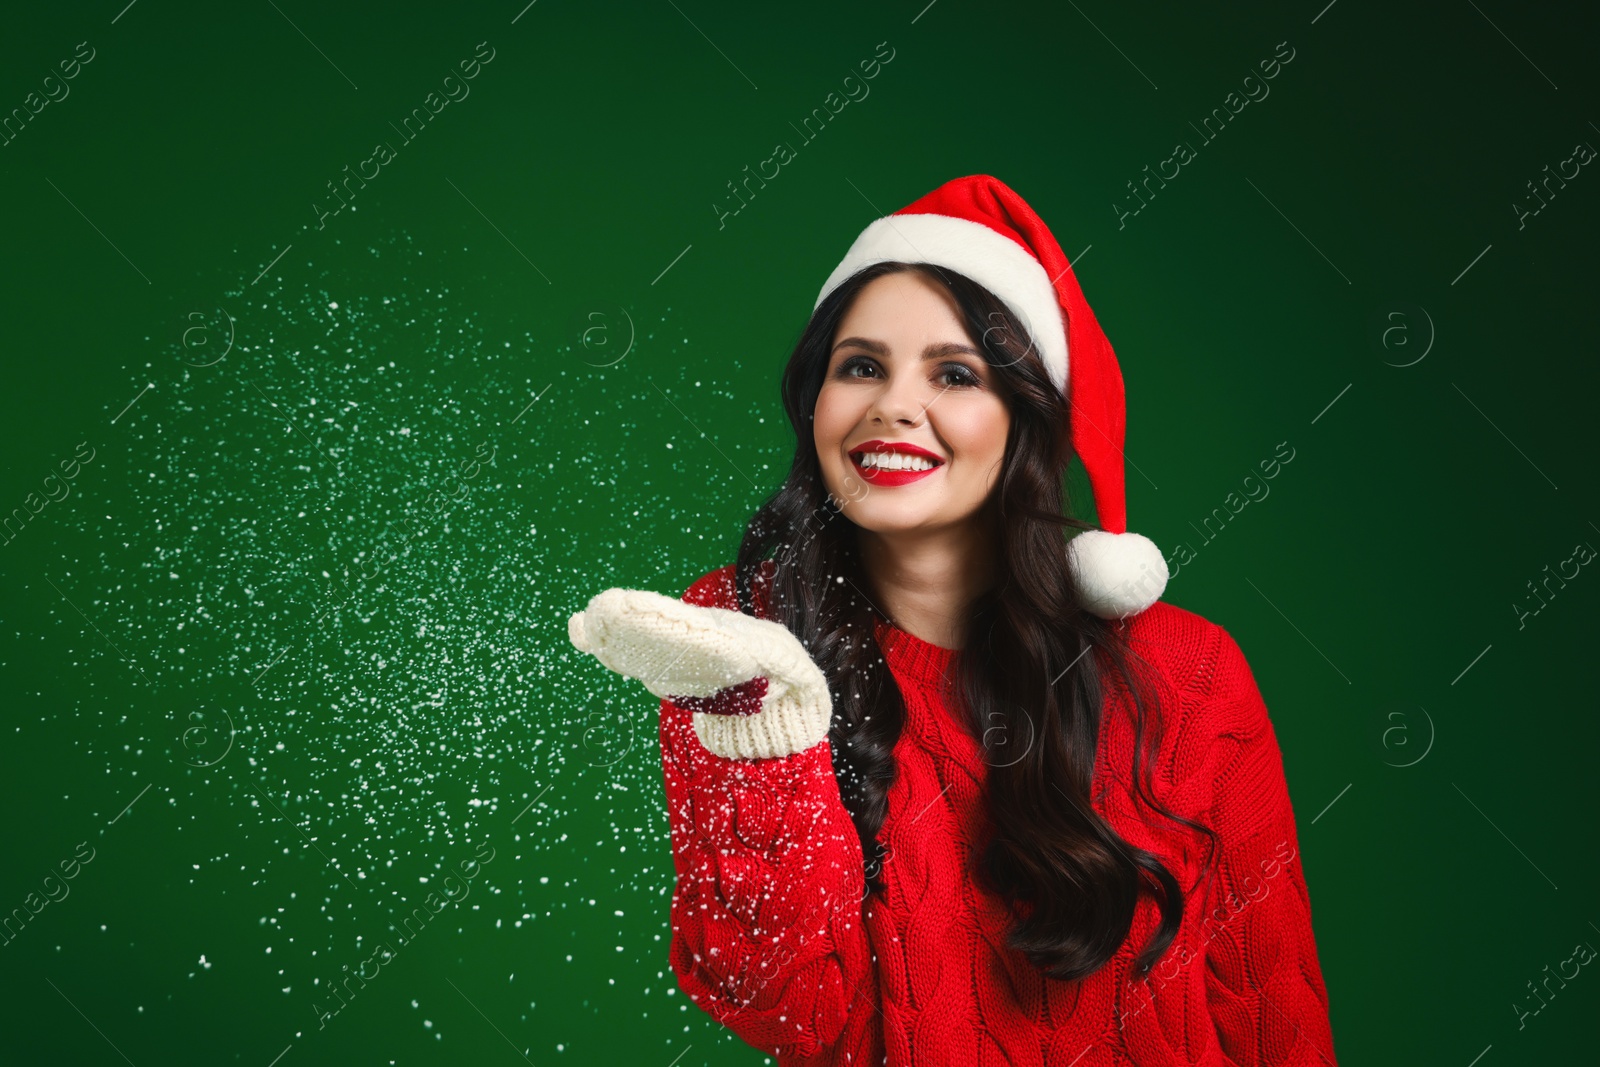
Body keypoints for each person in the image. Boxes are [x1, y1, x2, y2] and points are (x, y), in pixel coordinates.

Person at [568, 175, 1337, 1065]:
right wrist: (763, 731)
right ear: (814, 398)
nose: (894, 405)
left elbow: (1271, 1006)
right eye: (860, 366)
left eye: (956, 374)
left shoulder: (1186, 668)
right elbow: (793, 1015)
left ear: (1024, 419)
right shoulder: (741, 638)